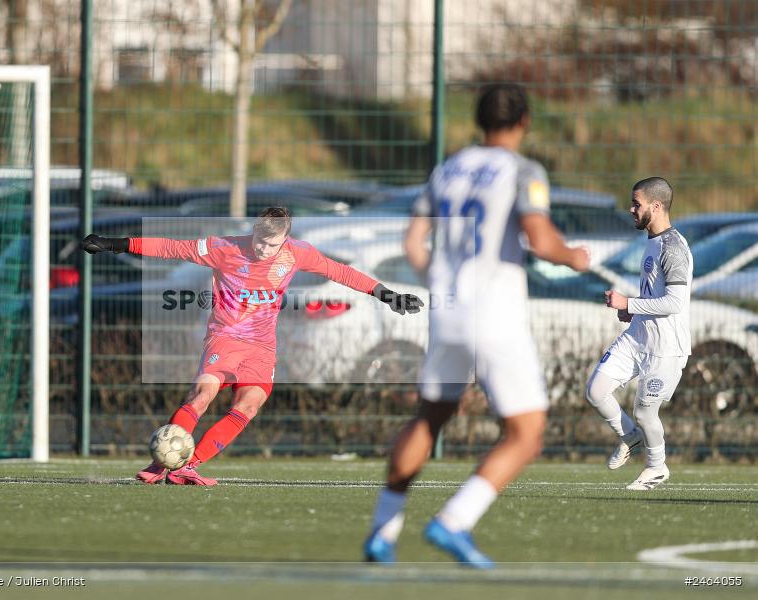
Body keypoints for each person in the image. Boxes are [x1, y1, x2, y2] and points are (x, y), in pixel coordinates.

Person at [364, 83, 590, 567]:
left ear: (478, 120)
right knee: (526, 432)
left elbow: (413, 243)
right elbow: (539, 237)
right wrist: (574, 256)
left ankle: (383, 531)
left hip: (447, 309)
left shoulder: (447, 169)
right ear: (524, 121)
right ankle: (455, 520)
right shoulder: (523, 170)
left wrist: (442, 280)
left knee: (430, 417)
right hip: (495, 312)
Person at [82, 207, 423, 485]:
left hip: (261, 347)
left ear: (285, 240)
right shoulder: (225, 248)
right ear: (254, 232)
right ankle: (160, 464)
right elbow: (172, 247)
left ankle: (187, 465)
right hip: (225, 338)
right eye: (259, 241)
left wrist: (387, 295)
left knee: (248, 406)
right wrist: (116, 244)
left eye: (270, 245)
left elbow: (342, 273)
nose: (262, 249)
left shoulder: (297, 254)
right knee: (201, 396)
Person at [586, 177, 690, 491]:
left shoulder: (673, 247)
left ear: (656, 207)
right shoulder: (651, 240)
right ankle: (630, 438)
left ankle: (657, 468)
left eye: (637, 204)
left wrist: (628, 301)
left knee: (645, 413)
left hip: (665, 348)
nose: (631, 209)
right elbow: (655, 295)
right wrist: (632, 311)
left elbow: (675, 302)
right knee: (596, 390)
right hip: (637, 337)